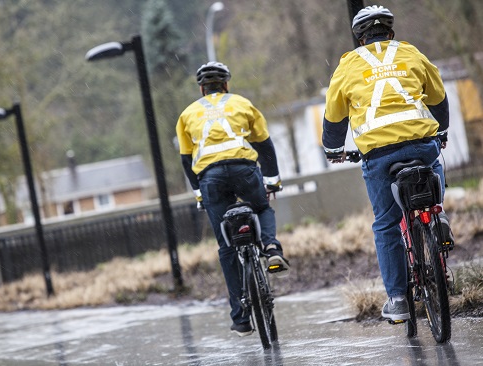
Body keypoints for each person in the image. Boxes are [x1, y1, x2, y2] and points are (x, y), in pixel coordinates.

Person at [322, 5, 454, 322]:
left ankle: (398, 300)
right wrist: (443, 130)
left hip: (380, 155)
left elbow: (334, 116)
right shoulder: (410, 53)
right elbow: (438, 97)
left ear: (360, 38)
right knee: (435, 153)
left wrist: (333, 149)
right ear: (390, 34)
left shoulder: (348, 64)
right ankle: (437, 212)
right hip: (421, 145)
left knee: (386, 224)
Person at [176, 61, 290, 337]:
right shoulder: (241, 103)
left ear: (202, 88)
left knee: (227, 247)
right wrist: (272, 179)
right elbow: (264, 143)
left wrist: (199, 193)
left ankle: (240, 317)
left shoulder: (188, 114)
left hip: (210, 177)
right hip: (243, 168)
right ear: (226, 85)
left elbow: (186, 158)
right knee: (262, 206)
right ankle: (272, 248)